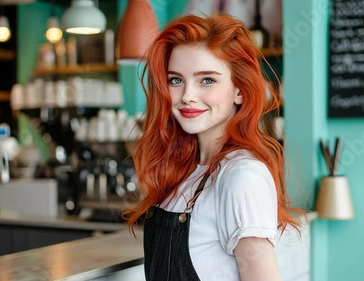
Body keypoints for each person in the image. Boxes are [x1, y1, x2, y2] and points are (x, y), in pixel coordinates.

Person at [123, 13, 302, 281]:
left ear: (239, 90)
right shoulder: (186, 172)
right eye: (176, 80)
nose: (187, 96)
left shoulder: (241, 175)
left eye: (207, 80)